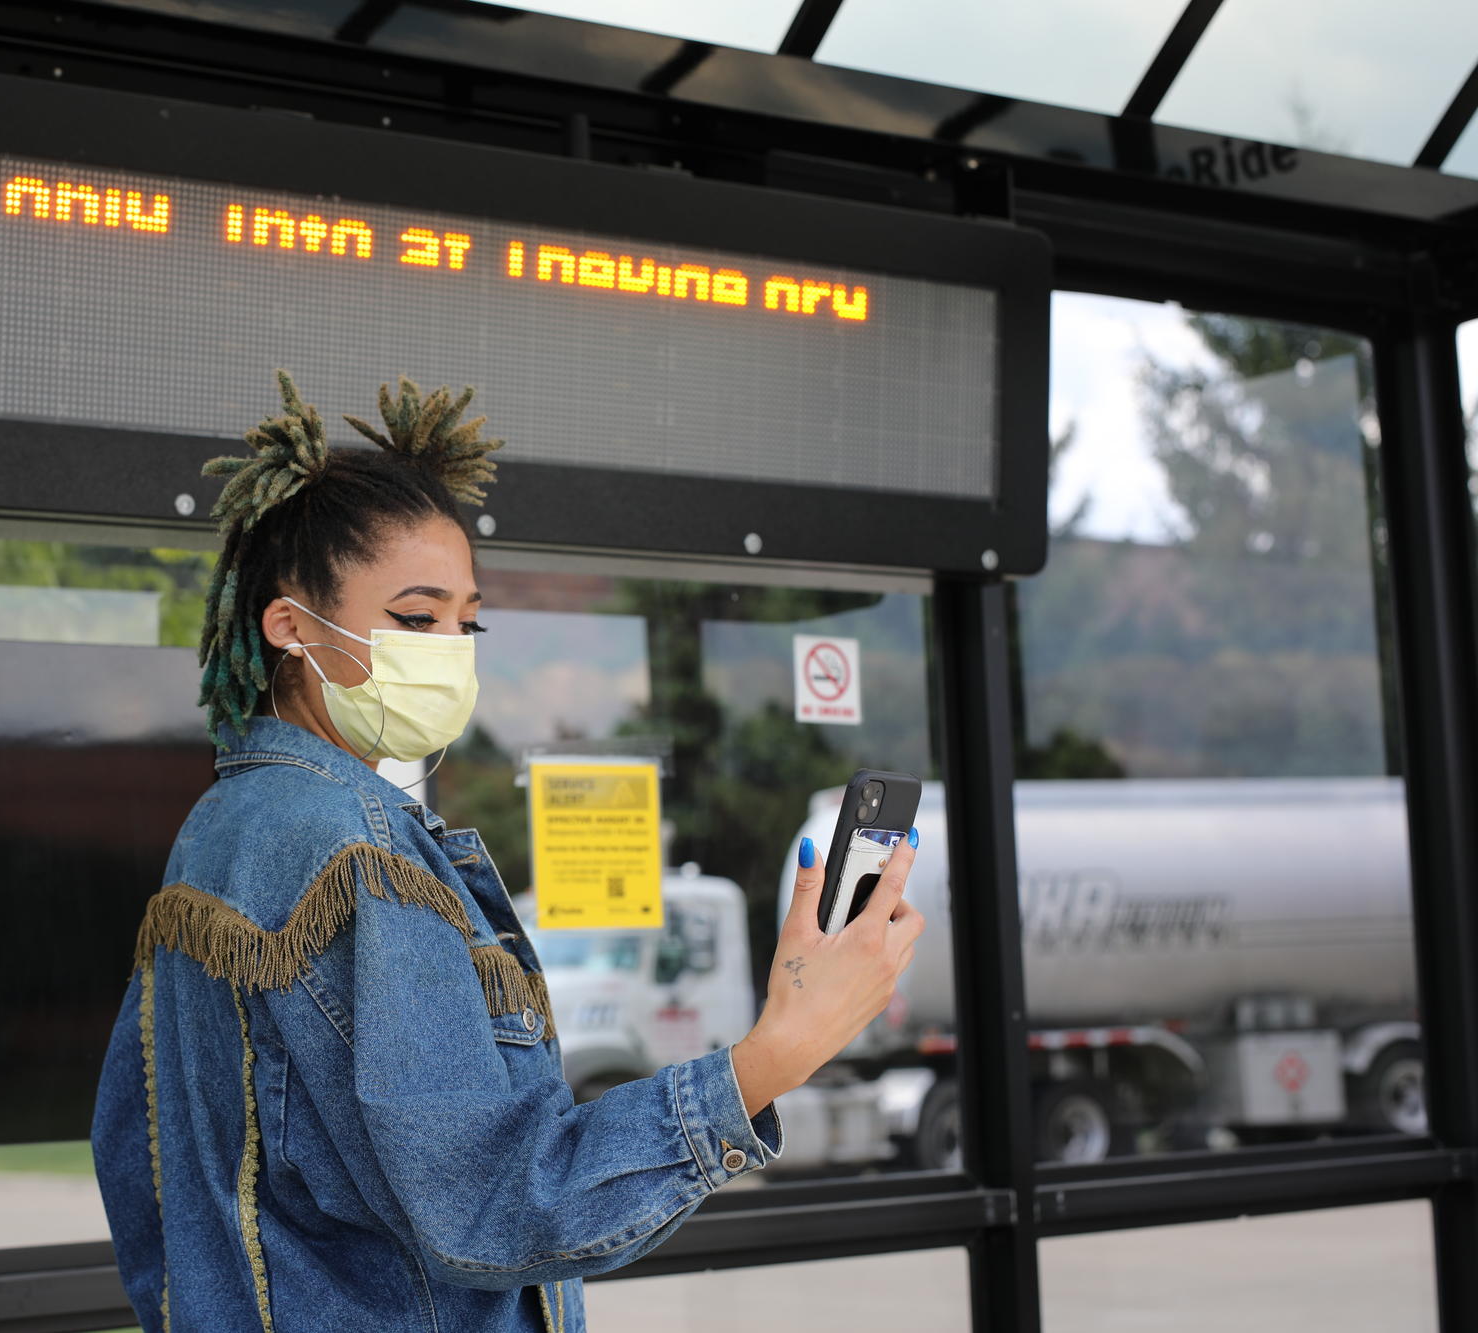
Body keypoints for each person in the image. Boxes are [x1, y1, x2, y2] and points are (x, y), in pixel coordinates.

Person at [89, 370, 927, 1332]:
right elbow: (493, 1204)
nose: (450, 646)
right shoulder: (350, 847)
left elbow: (138, 1168)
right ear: (289, 625)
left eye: (465, 619)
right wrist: (776, 1054)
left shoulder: (217, 833)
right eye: (415, 616)